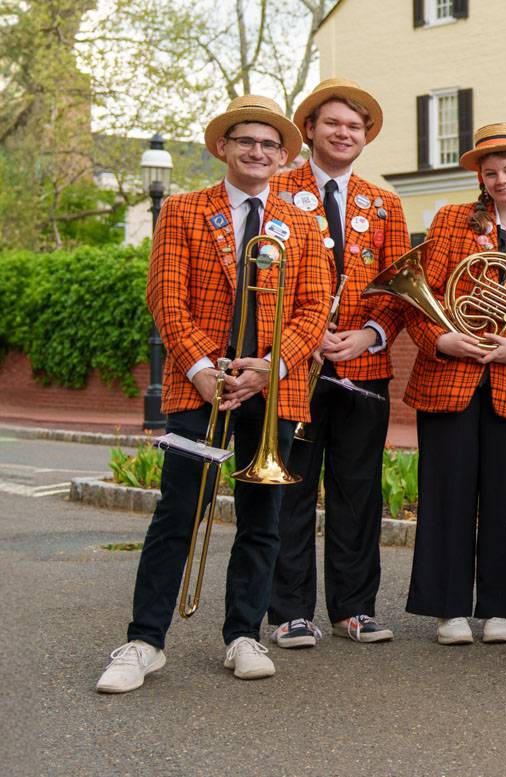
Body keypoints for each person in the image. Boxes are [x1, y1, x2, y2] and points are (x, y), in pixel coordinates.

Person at [97, 95, 328, 692]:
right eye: (245, 141)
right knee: (178, 512)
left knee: (263, 518)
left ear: (283, 156)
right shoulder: (182, 210)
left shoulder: (303, 222)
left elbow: (312, 308)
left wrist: (269, 368)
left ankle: (243, 635)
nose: (257, 152)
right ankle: (145, 641)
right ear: (223, 147)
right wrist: (203, 368)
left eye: (269, 145)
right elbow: (166, 298)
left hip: (271, 392)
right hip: (198, 387)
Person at [401, 122, 506, 647]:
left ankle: (503, 606)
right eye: (490, 172)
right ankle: (448, 608)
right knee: (446, 493)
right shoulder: (450, 222)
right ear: (480, 177)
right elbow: (416, 298)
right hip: (450, 375)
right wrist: (440, 341)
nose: (501, 180)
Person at [264, 78, 409, 649]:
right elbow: (259, 281)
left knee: (358, 491)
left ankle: (354, 608)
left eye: (354, 126)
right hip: (293, 368)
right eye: (332, 124)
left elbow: (402, 292)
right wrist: (301, 337)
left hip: (363, 368)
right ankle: (291, 611)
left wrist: (370, 334)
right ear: (310, 130)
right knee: (290, 489)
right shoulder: (275, 190)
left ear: (365, 136)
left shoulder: (385, 203)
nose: (343, 133)